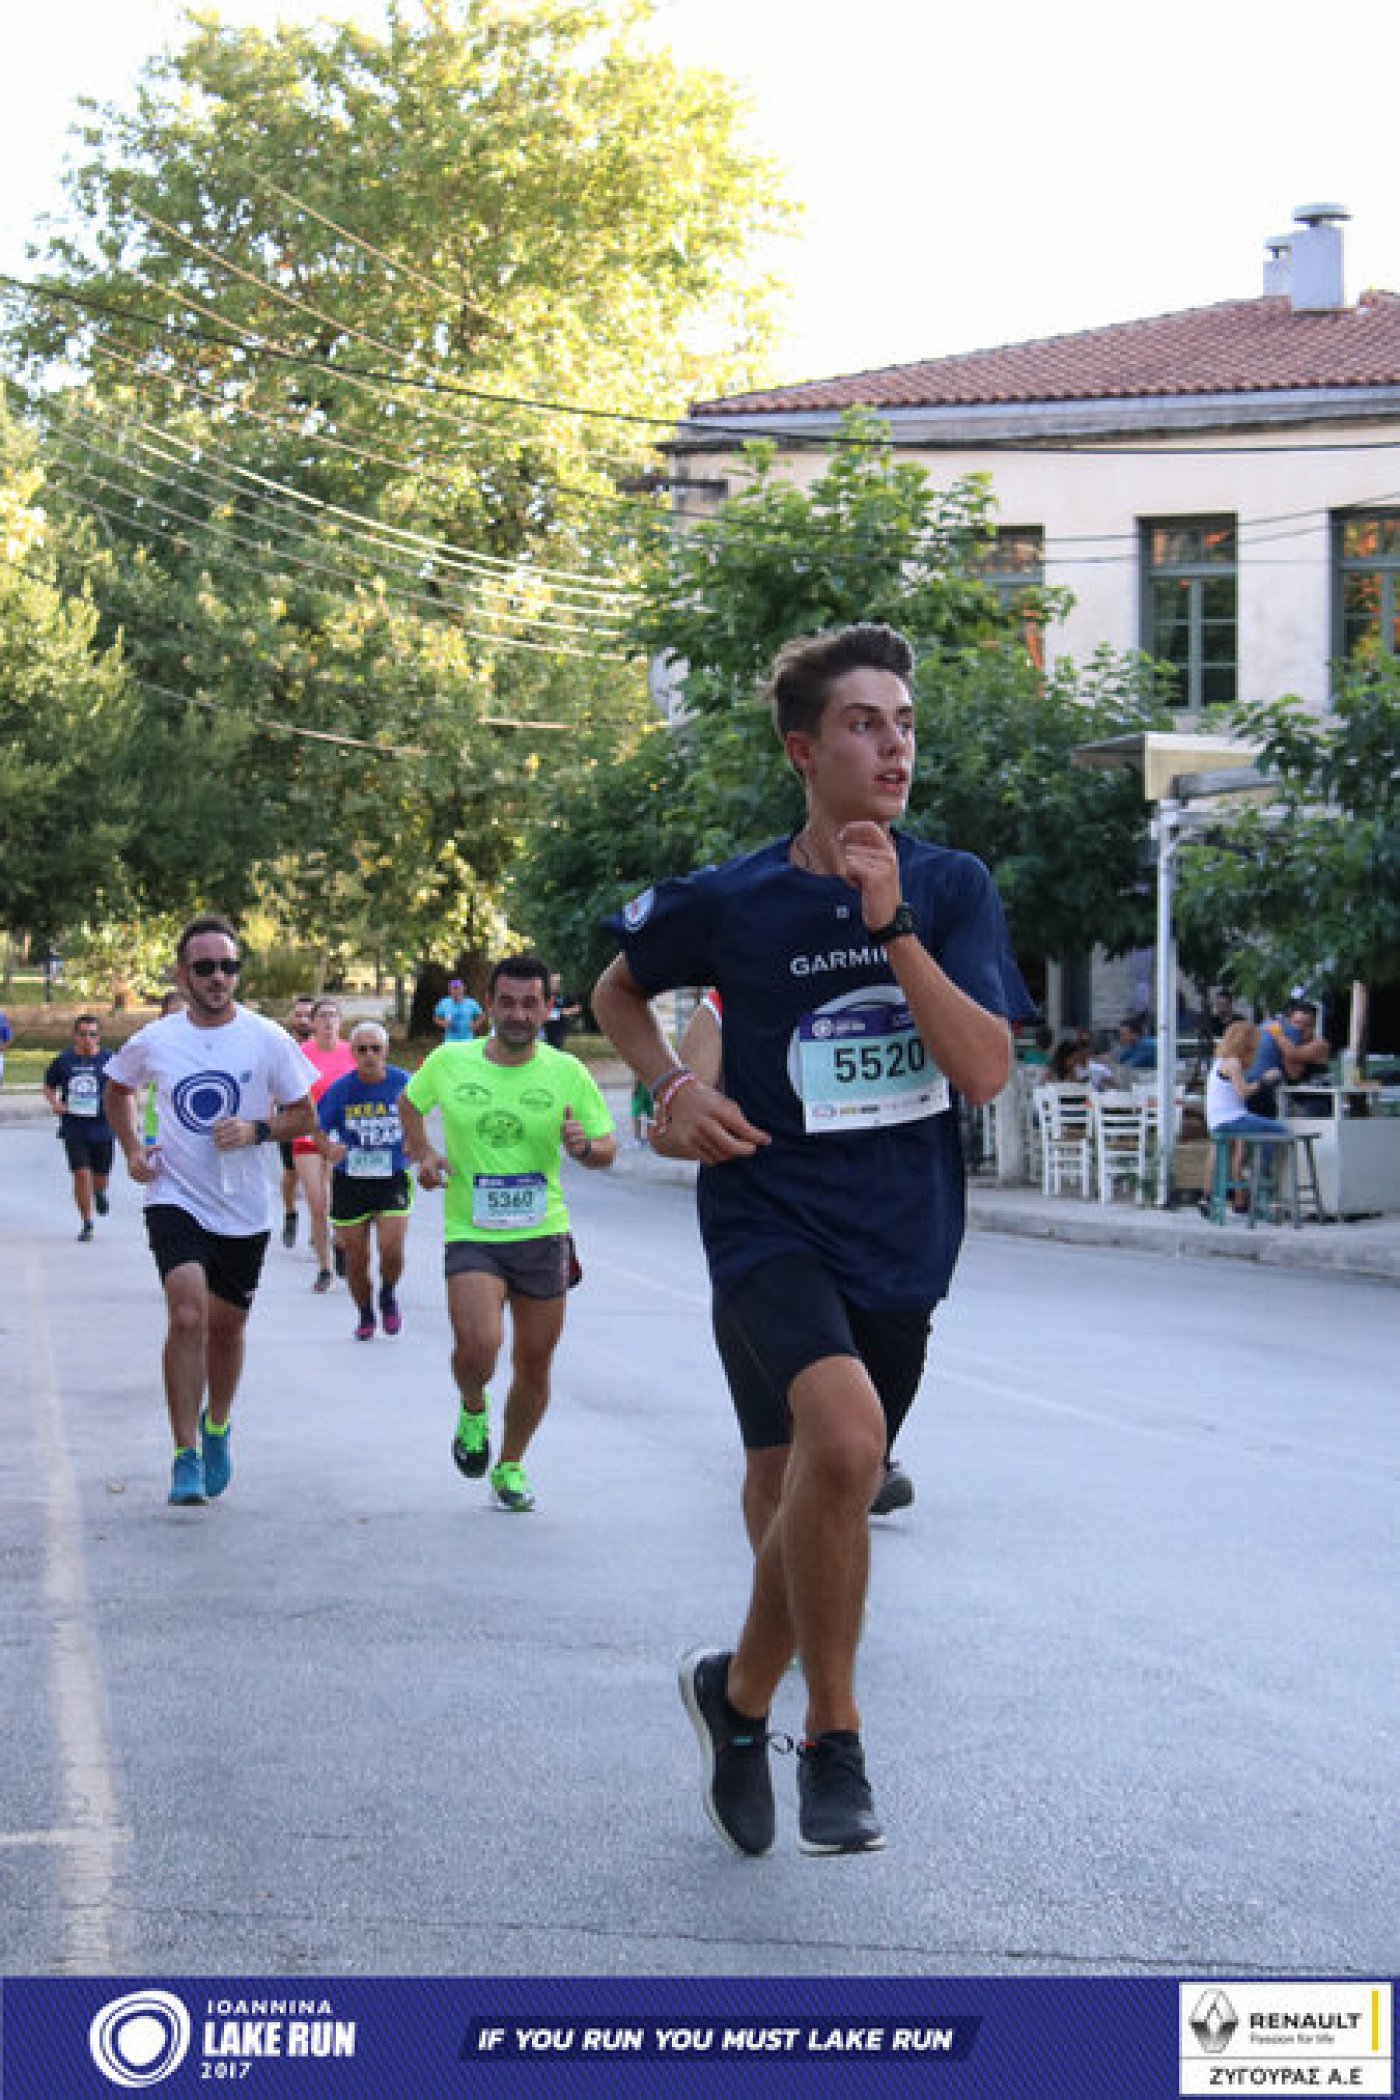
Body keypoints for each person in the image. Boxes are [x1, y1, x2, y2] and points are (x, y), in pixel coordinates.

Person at [592, 621, 1028, 1858]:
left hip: (902, 1236)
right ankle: (833, 1735)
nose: (892, 746)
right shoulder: (731, 899)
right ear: (802, 750)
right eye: (861, 724)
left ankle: (735, 1701)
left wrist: (892, 927)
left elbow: (982, 1071)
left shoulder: (949, 886)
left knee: (823, 1483)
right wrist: (673, 1089)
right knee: (838, 1446)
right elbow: (614, 990)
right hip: (767, 1216)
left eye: (903, 724)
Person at [677, 987, 917, 1521]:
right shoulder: (728, 999)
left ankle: (859, 1474)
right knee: (780, 1461)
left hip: (885, 1239)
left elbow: (979, 1074)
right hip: (772, 1235)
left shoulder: (896, 977)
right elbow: (673, 1129)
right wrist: (703, 1120)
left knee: (846, 1463)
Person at [103, 915, 316, 1505]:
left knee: (226, 1329)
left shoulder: (267, 1038)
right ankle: (184, 1455)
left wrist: (256, 1129)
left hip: (243, 1206)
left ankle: (216, 1425)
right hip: (176, 1196)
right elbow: (118, 1088)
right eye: (205, 967)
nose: (218, 977)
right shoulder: (157, 1039)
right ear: (182, 974)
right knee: (188, 1313)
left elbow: (305, 1114)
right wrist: (132, 1150)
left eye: (228, 966)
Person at [399, 952, 617, 1513]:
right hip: (472, 1230)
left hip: (543, 1233)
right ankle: (473, 1408)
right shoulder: (450, 1061)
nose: (518, 1014)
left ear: (547, 1008)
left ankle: (511, 1463)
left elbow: (606, 1148)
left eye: (529, 1004)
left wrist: (584, 1149)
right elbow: (409, 1103)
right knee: (478, 1348)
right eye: (507, 1003)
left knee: (534, 1362)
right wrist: (424, 1153)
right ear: (488, 1007)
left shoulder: (568, 1072)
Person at [315, 1020, 413, 1340]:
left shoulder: (403, 1082)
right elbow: (317, 1128)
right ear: (353, 1053)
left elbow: (420, 1114)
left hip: (391, 1177)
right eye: (362, 1049)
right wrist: (328, 1148)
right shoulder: (341, 1089)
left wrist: (415, 1144)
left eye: (375, 1048)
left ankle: (388, 1293)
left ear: (386, 1051)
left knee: (392, 1247)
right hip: (350, 1181)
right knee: (357, 1259)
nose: (369, 1055)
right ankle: (365, 1313)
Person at [293, 997, 356, 1291]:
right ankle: (325, 1268)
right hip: (307, 1133)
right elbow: (286, 1090)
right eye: (323, 1016)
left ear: (340, 1022)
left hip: (341, 1135)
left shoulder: (352, 1052)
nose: (328, 1021)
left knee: (337, 1202)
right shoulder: (301, 1054)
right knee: (317, 1203)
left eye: (333, 1016)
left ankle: (340, 1244)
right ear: (313, 1023)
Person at [1204, 1019, 1290, 1214]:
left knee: (1257, 1134)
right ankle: (1260, 1174)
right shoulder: (1233, 1063)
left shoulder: (1219, 1062)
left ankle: (1210, 1195)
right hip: (1232, 1119)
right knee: (1281, 1130)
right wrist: (1265, 1081)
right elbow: (1243, 1092)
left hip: (1218, 1120)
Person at [43, 1015, 116, 1241]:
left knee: (100, 1176)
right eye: (83, 1034)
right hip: (74, 1127)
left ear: (99, 1037)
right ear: (74, 1035)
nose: (87, 1039)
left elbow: (125, 1087)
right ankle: (87, 1223)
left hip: (103, 1126)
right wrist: (55, 1103)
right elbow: (48, 1086)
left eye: (92, 1034)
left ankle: (99, 1192)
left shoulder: (109, 1059)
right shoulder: (64, 1060)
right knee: (81, 1174)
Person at [1246, 997, 1332, 1116]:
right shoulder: (1286, 1044)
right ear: (1289, 1023)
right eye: (1297, 1023)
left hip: (1316, 1099)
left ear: (1313, 1026)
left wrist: (1277, 1033)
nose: (1300, 1028)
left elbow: (1294, 1055)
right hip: (1292, 1098)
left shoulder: (1320, 1044)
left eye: (1307, 1025)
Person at [277, 994, 316, 1248]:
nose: (302, 1020)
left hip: (319, 1113)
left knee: (321, 1173)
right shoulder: (284, 1045)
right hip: (289, 1113)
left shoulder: (324, 1046)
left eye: (307, 1015)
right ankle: (290, 1212)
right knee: (291, 1171)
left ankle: (318, 1225)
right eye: (298, 1015)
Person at [433, 976, 483, 1042]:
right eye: (454, 988)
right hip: (450, 1041)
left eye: (458, 988)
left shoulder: (471, 1003)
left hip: (467, 1041)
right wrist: (443, 1023)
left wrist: (475, 1024)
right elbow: (436, 1018)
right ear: (450, 990)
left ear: (463, 989)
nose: (456, 991)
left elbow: (481, 1016)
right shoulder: (444, 1003)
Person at [543, 972, 581, 1050]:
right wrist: (559, 1013)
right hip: (545, 1027)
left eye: (558, 981)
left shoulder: (565, 994)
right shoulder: (544, 995)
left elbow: (577, 1008)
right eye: (553, 981)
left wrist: (569, 1011)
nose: (556, 984)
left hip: (560, 1028)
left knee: (556, 1047)